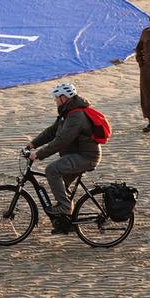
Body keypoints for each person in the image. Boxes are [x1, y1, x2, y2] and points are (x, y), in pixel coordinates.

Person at [26, 82, 102, 224]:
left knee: (52, 170)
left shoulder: (76, 116)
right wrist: (32, 144)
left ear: (64, 97)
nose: (55, 100)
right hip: (75, 155)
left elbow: (62, 141)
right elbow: (52, 132)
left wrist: (39, 154)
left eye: (56, 97)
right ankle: (65, 222)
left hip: (86, 157)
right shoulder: (66, 113)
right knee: (61, 186)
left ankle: (65, 208)